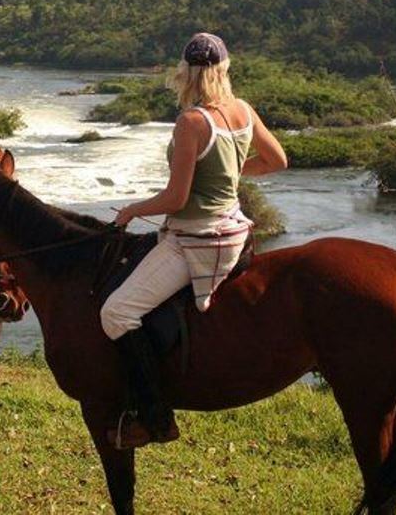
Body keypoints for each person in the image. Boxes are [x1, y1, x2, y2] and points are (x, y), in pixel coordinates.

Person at [100, 32, 288, 449]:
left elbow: (176, 198)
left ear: (185, 73)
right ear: (224, 69)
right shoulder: (242, 110)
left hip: (195, 239)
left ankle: (154, 417)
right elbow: (277, 160)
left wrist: (132, 210)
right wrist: (230, 176)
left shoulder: (191, 123)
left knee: (116, 313)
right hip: (235, 230)